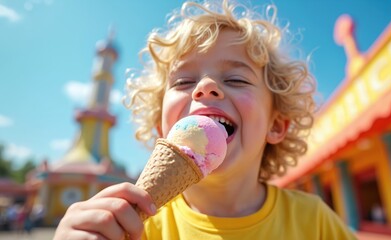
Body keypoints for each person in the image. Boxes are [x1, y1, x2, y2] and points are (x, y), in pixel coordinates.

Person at [54, 0, 357, 239]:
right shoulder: (135, 229)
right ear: (163, 127)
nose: (205, 86)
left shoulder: (314, 222)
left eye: (237, 79)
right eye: (184, 81)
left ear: (276, 125)